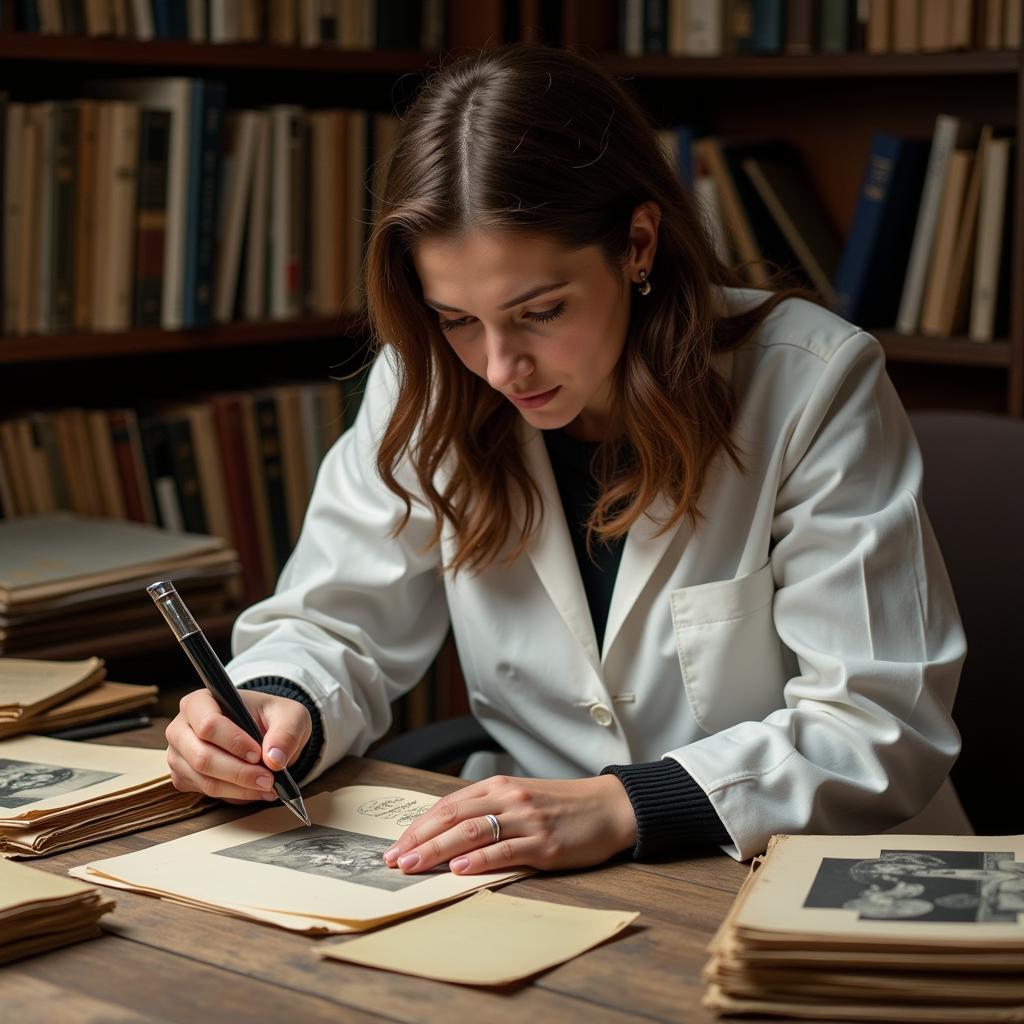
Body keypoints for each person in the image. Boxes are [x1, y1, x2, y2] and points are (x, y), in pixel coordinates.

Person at [164, 43, 969, 871]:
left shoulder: (811, 381)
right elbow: (337, 621)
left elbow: (877, 720)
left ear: (639, 244)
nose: (499, 367)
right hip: (548, 879)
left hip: (808, 869)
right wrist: (276, 703)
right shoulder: (428, 380)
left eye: (540, 311)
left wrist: (629, 803)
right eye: (457, 317)